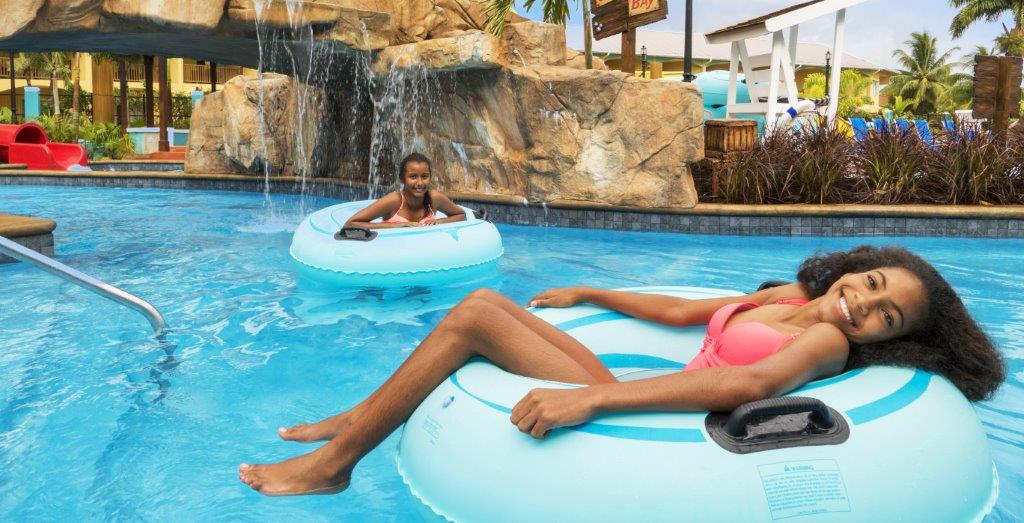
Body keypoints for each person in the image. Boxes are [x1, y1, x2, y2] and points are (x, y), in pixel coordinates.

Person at [239, 245, 1004, 496]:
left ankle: (337, 463)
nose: (864, 303)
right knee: (480, 302)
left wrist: (594, 401)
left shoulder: (828, 344)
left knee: (474, 319)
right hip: (638, 383)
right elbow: (679, 312)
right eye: (873, 283)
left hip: (669, 418)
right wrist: (589, 292)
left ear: (891, 339)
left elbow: (744, 386)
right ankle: (355, 421)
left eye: (887, 316)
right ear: (862, 265)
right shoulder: (791, 296)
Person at [344, 153, 465, 229]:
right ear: (402, 179)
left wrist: (440, 221)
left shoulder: (434, 198)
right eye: (413, 177)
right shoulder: (394, 201)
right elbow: (351, 223)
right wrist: (395, 225)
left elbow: (461, 215)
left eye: (424, 176)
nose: (420, 183)